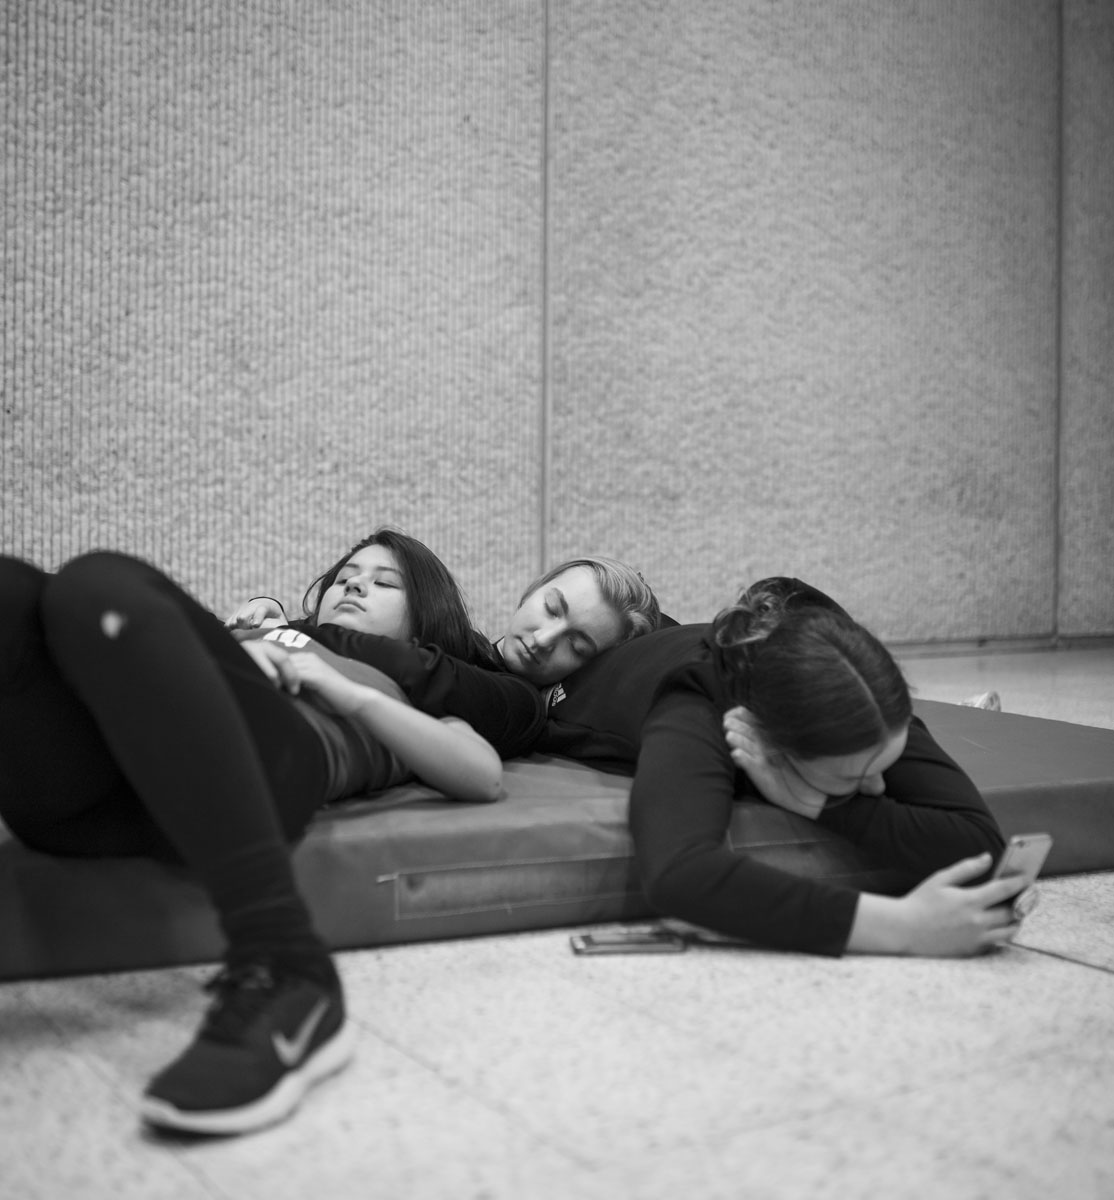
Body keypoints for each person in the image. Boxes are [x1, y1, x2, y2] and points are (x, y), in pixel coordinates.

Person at [0, 530, 502, 1136]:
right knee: (12, 590)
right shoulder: (261, 629)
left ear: (424, 625)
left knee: (96, 579)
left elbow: (481, 773)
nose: (354, 584)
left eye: (384, 582)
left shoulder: (412, 691)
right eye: (346, 575)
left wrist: (343, 692)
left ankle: (288, 965)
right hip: (83, 799)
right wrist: (226, 656)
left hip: (258, 776)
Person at [534, 577, 1028, 958]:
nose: (880, 787)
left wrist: (826, 805)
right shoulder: (696, 705)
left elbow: (980, 845)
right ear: (773, 745)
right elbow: (679, 874)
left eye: (885, 763)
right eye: (855, 778)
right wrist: (903, 927)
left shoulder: (857, 691)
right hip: (568, 686)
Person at [227, 554, 666, 758]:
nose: (545, 638)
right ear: (533, 590)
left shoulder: (521, 705)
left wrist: (293, 634)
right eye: (551, 608)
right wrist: (278, 616)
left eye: (577, 645)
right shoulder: (462, 636)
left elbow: (416, 668)